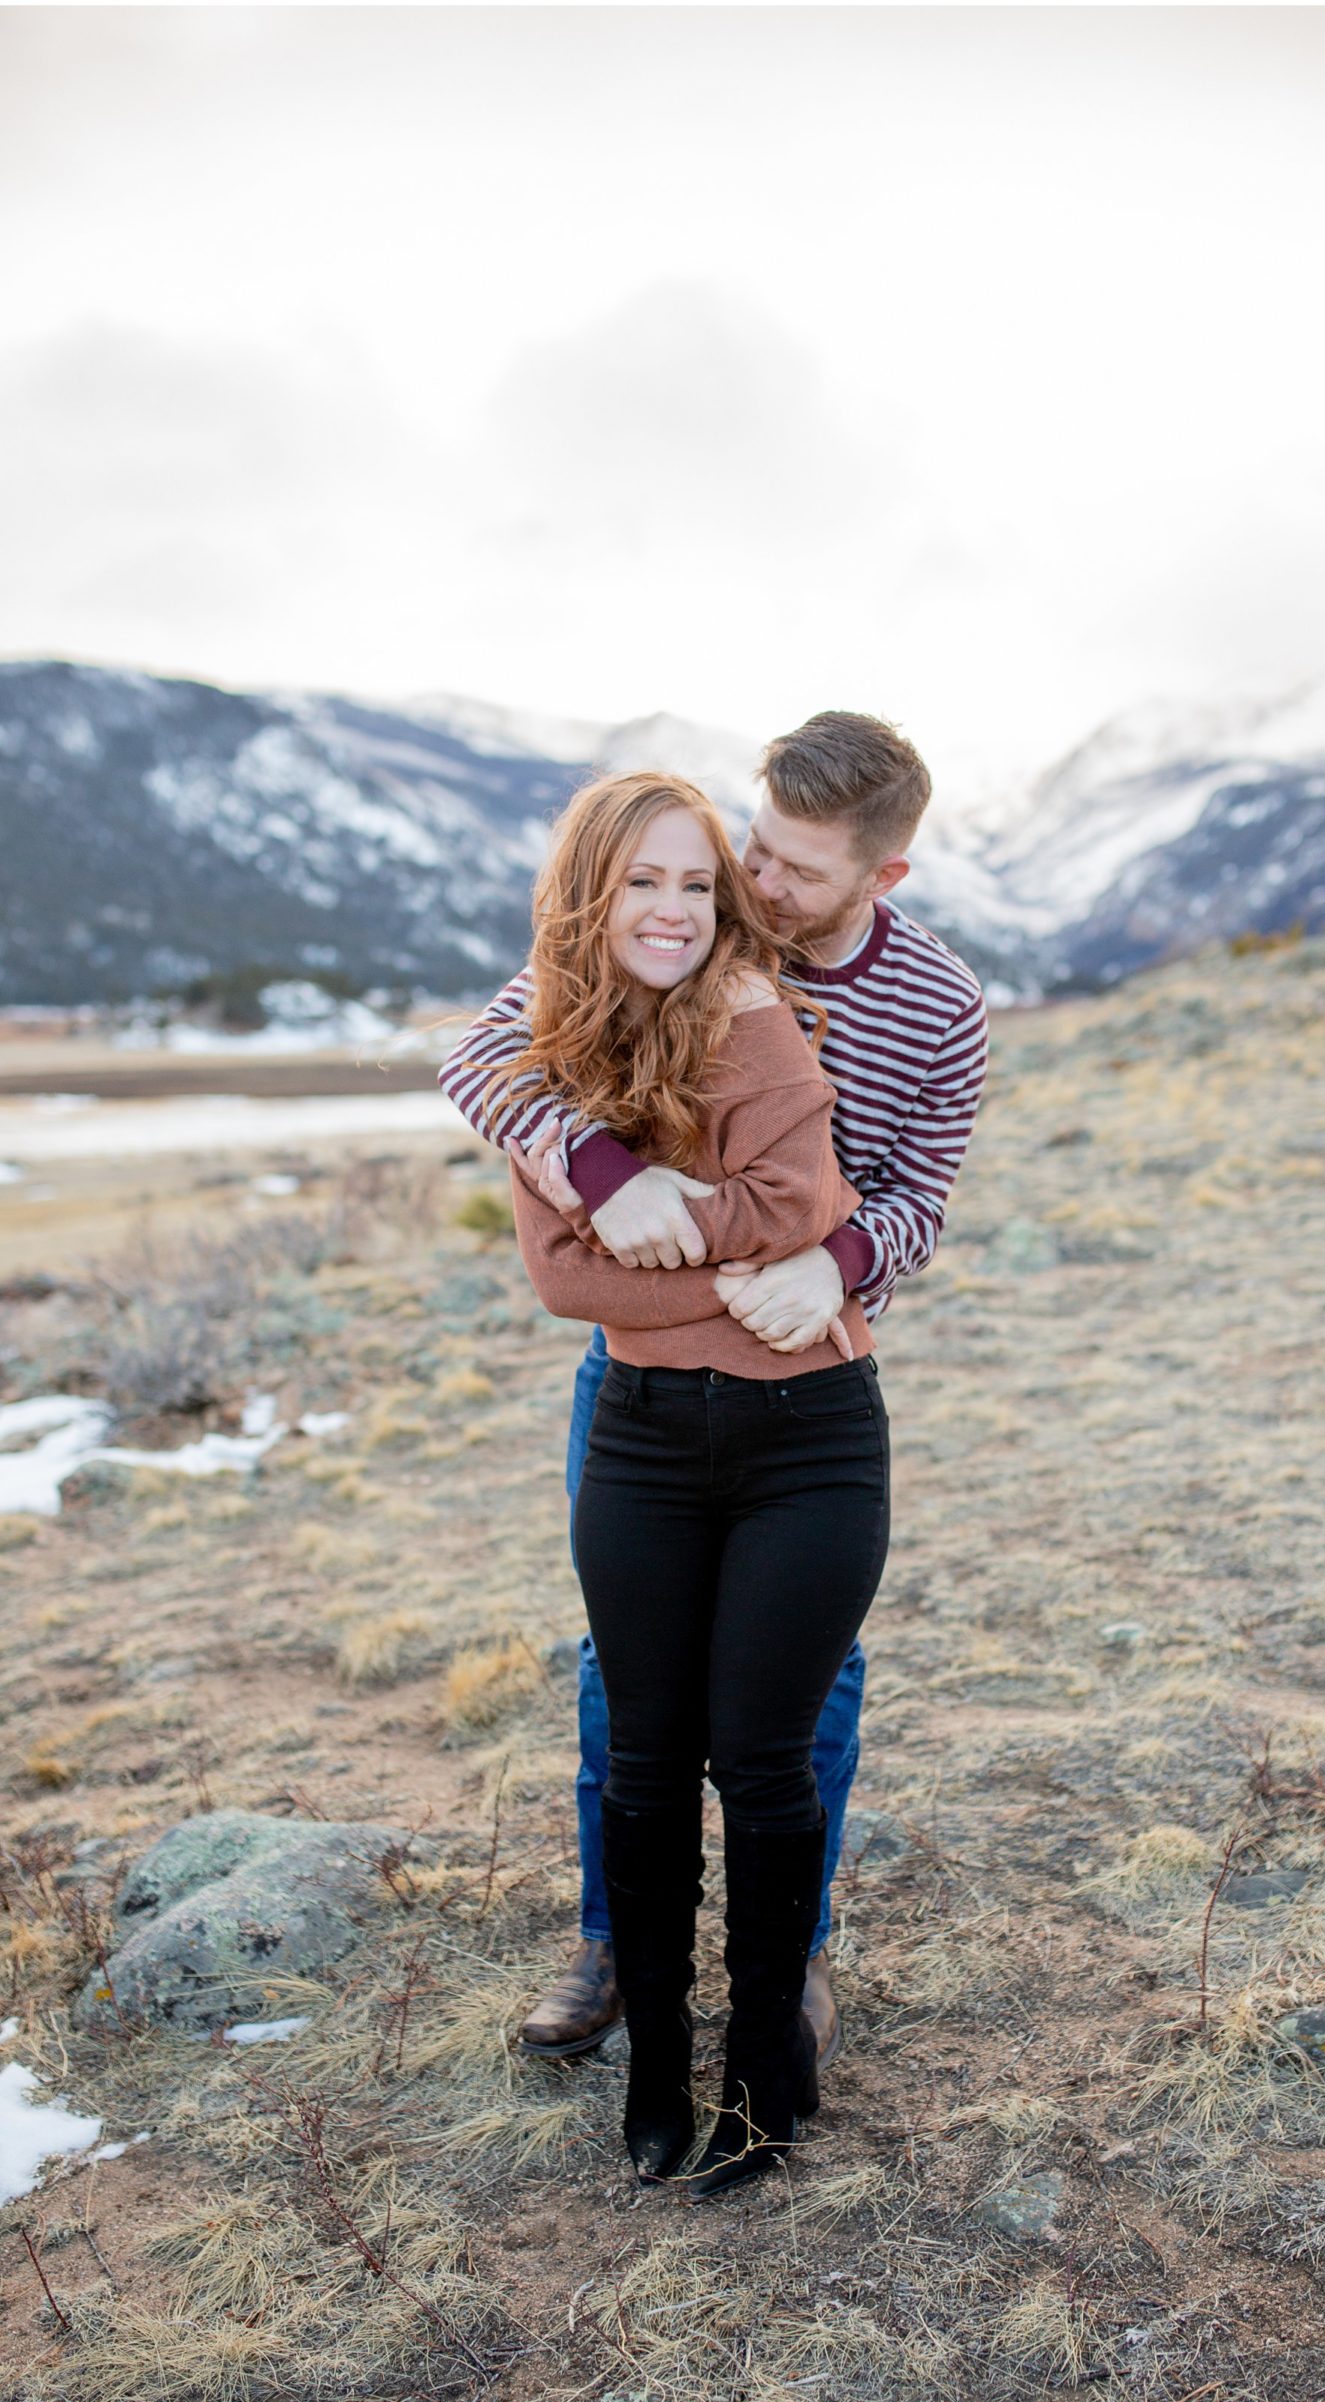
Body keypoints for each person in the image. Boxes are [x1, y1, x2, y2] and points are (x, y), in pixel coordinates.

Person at [440, 711, 988, 2068]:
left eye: (796, 870)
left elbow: (923, 1198)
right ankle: (614, 1936)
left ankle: (785, 1955)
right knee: (621, 1672)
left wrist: (845, 1263)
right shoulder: (686, 929)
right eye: (754, 845)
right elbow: (483, 1059)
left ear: (884, 878)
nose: (755, 883)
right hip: (636, 1369)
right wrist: (603, 1174)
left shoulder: (940, 1010)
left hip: (805, 1382)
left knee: (809, 1687)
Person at [503, 767, 889, 2195]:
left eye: (694, 883)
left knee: (764, 1759)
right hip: (644, 1440)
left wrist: (675, 1240)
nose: (670, 909)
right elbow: (558, 1277)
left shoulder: (760, 1026)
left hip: (810, 1441)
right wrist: (724, 1266)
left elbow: (813, 1205)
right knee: (648, 1761)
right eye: (640, 882)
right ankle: (656, 2067)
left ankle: (763, 2074)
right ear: (587, 897)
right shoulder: (548, 1053)